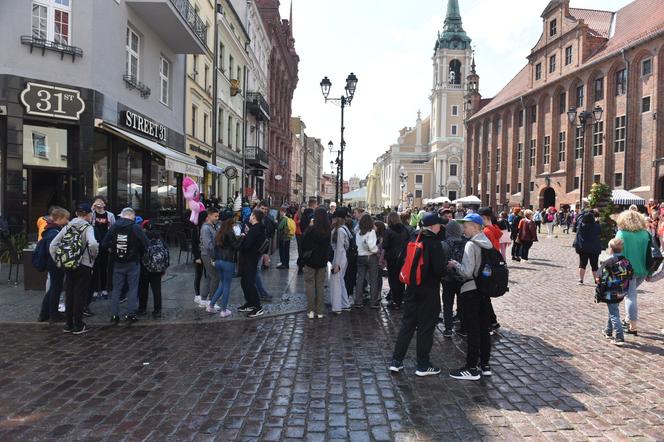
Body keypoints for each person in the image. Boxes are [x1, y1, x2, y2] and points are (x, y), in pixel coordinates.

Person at [389, 213, 446, 377]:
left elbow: (402, 261)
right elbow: (439, 270)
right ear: (433, 226)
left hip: (411, 288)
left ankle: (396, 361)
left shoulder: (414, 238)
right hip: (429, 290)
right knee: (425, 327)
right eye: (439, 225)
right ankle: (423, 364)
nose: (440, 227)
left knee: (407, 325)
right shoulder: (434, 243)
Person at [447, 213, 494, 381]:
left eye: (466, 226)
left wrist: (455, 264)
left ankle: (471, 367)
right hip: (484, 290)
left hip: (471, 290)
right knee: (484, 329)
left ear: (475, 227)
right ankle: (485, 365)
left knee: (473, 330)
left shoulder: (471, 245)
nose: (463, 229)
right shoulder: (487, 242)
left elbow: (467, 272)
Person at [49, 203, 99, 334]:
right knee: (79, 294)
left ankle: (68, 324)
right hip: (84, 265)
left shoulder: (68, 226)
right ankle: (78, 324)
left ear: (76, 214)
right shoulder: (88, 227)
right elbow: (93, 243)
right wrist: (93, 257)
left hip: (68, 264)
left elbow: (53, 244)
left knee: (69, 293)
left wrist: (58, 260)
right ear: (88, 215)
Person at [103, 207, 149, 324]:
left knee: (117, 289)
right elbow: (146, 243)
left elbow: (104, 243)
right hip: (133, 261)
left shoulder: (114, 226)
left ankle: (114, 316)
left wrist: (112, 249)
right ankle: (130, 315)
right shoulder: (135, 227)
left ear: (122, 216)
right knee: (133, 289)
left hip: (117, 261)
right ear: (132, 216)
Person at [615, 210, 651, 336]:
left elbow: (616, 253)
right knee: (630, 294)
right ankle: (627, 320)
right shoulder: (645, 234)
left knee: (630, 296)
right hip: (643, 270)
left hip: (627, 270)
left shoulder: (621, 233)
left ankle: (632, 325)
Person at [595, 238, 633, 346]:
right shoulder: (625, 261)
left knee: (614, 313)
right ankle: (608, 331)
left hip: (610, 292)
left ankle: (619, 337)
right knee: (613, 310)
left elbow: (600, 276)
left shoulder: (608, 262)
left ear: (611, 249)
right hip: (621, 291)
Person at [37, 207, 69, 323]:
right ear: (59, 219)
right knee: (56, 288)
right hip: (55, 264)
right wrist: (58, 261)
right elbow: (52, 248)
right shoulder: (54, 232)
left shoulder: (50, 229)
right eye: (66, 218)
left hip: (53, 263)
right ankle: (53, 314)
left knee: (53, 288)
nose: (67, 221)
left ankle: (45, 313)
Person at [208, 210, 242, 318]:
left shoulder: (219, 231)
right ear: (230, 221)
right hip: (228, 261)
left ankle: (211, 305)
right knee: (226, 286)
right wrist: (242, 237)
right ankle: (223, 310)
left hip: (218, 261)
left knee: (222, 285)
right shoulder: (230, 232)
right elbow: (235, 246)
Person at [300, 208, 331, 318]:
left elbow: (303, 244)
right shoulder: (328, 230)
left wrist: (309, 227)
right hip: (322, 261)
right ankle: (320, 311)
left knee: (310, 285)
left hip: (311, 260)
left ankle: (311, 311)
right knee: (320, 285)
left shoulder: (311, 230)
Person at [440, 220, 467, 338]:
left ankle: (448, 328)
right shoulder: (466, 243)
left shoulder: (443, 244)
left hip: (447, 278)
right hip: (462, 277)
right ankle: (463, 326)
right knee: (462, 302)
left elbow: (441, 262)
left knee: (447, 303)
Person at [238, 209, 267, 318]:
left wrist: (243, 237)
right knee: (244, 281)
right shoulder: (255, 228)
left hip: (251, 258)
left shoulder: (255, 229)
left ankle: (258, 307)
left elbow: (247, 244)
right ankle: (250, 303)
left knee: (249, 282)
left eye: (251, 215)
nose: (249, 216)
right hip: (250, 258)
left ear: (254, 217)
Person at [88, 196, 116, 307]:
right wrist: (92, 208)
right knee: (94, 268)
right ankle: (95, 290)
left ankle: (104, 289)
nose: (99, 203)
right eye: (97, 201)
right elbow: (87, 221)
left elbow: (113, 229)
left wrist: (111, 244)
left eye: (101, 202)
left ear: (105, 204)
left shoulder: (110, 215)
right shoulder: (92, 214)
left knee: (104, 268)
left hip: (105, 244)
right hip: (94, 243)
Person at [138, 220, 169, 318]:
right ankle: (157, 310)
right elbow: (166, 250)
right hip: (158, 268)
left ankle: (142, 309)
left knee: (143, 289)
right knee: (157, 289)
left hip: (145, 267)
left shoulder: (143, 236)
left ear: (144, 228)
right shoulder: (160, 237)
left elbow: (139, 251)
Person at [383, 212, 410, 310]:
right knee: (401, 279)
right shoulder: (405, 230)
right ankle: (400, 299)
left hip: (392, 258)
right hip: (403, 257)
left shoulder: (389, 231)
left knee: (393, 279)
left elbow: (384, 245)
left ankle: (395, 300)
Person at [354, 214, 380, 309]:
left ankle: (358, 301)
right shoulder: (371, 232)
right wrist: (376, 250)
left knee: (360, 279)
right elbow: (371, 245)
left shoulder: (358, 233)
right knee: (373, 279)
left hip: (360, 256)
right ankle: (373, 301)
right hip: (370, 256)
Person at [330, 208, 352, 315]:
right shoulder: (344, 229)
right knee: (340, 281)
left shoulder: (339, 230)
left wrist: (336, 264)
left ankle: (337, 307)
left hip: (340, 257)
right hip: (343, 257)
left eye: (334, 217)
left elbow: (339, 248)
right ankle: (345, 304)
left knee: (337, 281)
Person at [198, 207, 220, 308]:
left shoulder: (212, 226)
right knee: (215, 277)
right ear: (209, 216)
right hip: (208, 254)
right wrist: (214, 257)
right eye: (215, 216)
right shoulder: (206, 228)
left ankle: (203, 299)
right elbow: (208, 245)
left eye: (218, 216)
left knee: (208, 276)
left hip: (207, 254)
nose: (217, 218)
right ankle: (212, 301)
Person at [573, 211, 602, 285]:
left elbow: (579, 217)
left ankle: (580, 280)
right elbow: (600, 232)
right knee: (595, 265)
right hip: (594, 248)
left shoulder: (580, 225)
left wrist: (584, 212)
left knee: (582, 264)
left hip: (583, 248)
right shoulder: (597, 226)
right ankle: (596, 280)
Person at [191, 210, 207, 308]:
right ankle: (197, 295)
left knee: (208, 275)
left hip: (206, 254)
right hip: (200, 255)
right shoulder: (196, 229)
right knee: (198, 274)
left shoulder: (207, 227)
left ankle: (206, 294)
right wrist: (196, 257)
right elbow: (194, 245)